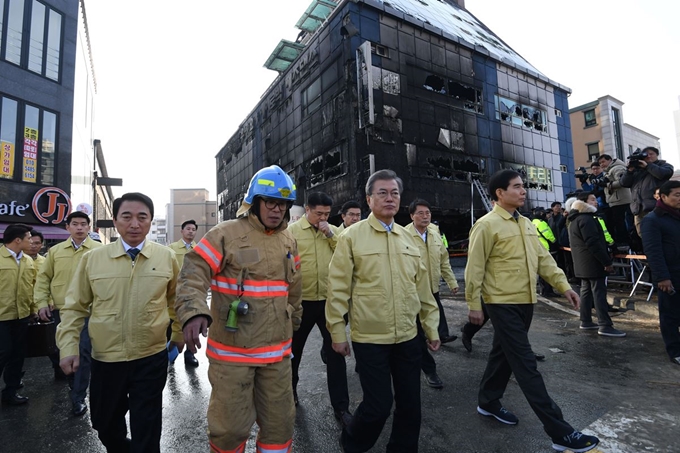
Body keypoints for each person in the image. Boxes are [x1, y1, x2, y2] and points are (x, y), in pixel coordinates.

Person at [465, 169, 599, 453]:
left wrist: (564, 286)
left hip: (525, 301)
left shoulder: (525, 223)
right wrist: (474, 304)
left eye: (523, 186)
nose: (523, 191)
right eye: (516, 187)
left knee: (502, 354)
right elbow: (474, 268)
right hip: (500, 303)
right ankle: (559, 432)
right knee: (526, 365)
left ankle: (488, 401)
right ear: (499, 193)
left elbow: (543, 259)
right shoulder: (486, 225)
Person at [175, 165, 302, 453]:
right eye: (270, 201)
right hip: (233, 356)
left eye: (282, 203)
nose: (276, 209)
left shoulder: (289, 240)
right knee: (229, 430)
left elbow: (294, 288)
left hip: (278, 356)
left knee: (280, 427)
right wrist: (194, 311)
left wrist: (295, 319)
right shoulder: (226, 234)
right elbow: (193, 272)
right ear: (254, 202)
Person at [56, 193, 181, 452]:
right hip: (106, 358)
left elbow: (176, 300)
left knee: (147, 425)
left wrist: (178, 335)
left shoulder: (166, 257)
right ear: (115, 220)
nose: (134, 224)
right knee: (105, 423)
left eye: (142, 217)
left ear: (149, 221)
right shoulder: (93, 259)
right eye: (127, 217)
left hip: (150, 356)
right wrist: (68, 347)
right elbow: (74, 307)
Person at [326, 169, 440, 453]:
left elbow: (422, 289)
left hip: (407, 337)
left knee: (411, 406)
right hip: (370, 338)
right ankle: (352, 443)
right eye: (382, 193)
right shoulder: (351, 237)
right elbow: (338, 288)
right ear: (369, 199)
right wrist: (337, 332)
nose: (390, 198)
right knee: (378, 406)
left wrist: (431, 327)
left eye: (395, 193)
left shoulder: (408, 238)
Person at [288, 191, 351, 426]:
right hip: (300, 302)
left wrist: (330, 234)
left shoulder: (335, 232)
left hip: (328, 301)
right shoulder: (292, 232)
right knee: (293, 352)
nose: (322, 218)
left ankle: (341, 407)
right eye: (318, 213)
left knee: (336, 353)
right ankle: (290, 393)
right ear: (307, 210)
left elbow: (345, 255)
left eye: (326, 213)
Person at [35, 211, 103, 416]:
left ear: (89, 227)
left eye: (84, 224)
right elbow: (44, 278)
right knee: (59, 349)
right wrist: (41, 303)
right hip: (60, 310)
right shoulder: (55, 252)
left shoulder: (100, 251)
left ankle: (78, 396)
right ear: (68, 227)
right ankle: (71, 379)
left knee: (81, 352)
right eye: (75, 224)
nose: (80, 227)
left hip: (86, 312)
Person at [405, 198, 459, 389]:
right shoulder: (402, 236)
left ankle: (436, 338)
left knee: (430, 325)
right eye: (420, 213)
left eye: (428, 213)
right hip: (412, 294)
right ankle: (430, 370)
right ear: (412, 216)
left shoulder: (435, 235)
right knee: (417, 335)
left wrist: (451, 282)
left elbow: (444, 261)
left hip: (433, 290)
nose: (425, 216)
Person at [568, 194, 624, 337]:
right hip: (593, 263)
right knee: (599, 292)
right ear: (583, 203)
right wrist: (606, 262)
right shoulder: (588, 219)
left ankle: (586, 320)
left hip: (582, 264)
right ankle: (605, 325)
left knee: (586, 292)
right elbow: (593, 243)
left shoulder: (574, 220)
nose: (596, 202)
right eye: (592, 199)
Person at [641, 180, 680, 366]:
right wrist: (662, 277)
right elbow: (653, 252)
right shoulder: (652, 220)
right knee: (670, 314)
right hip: (670, 275)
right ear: (663, 197)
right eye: (677, 195)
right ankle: (674, 350)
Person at [0, 224, 36, 406]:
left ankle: (10, 391)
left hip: (21, 316)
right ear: (17, 240)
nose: (32, 241)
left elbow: (32, 287)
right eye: (29, 238)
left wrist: (33, 310)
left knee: (18, 354)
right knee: (3, 352)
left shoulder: (29, 261)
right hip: (1, 317)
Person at [619, 146, 674, 238]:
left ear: (657, 155)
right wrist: (629, 170)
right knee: (644, 237)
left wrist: (648, 166)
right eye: (646, 155)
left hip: (656, 207)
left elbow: (662, 174)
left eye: (651, 154)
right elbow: (624, 183)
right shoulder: (637, 170)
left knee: (660, 235)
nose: (648, 156)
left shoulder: (664, 165)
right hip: (638, 209)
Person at [168, 219, 200, 367]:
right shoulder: (171, 249)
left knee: (192, 323)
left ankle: (190, 353)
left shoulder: (199, 249)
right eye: (188, 229)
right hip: (175, 292)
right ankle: (171, 352)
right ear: (182, 231)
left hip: (193, 293)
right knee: (172, 321)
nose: (191, 231)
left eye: (193, 229)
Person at [597, 154, 632, 248]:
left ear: (610, 160)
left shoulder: (617, 168)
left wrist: (607, 184)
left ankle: (623, 242)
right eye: (600, 163)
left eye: (603, 162)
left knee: (620, 222)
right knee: (616, 222)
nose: (602, 164)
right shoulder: (609, 170)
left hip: (621, 200)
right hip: (615, 200)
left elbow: (623, 182)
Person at [531, 207, 559, 297]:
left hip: (536, 248)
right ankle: (548, 291)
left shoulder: (533, 222)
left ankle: (544, 290)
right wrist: (555, 241)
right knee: (548, 270)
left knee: (541, 271)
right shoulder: (541, 223)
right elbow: (548, 235)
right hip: (545, 248)